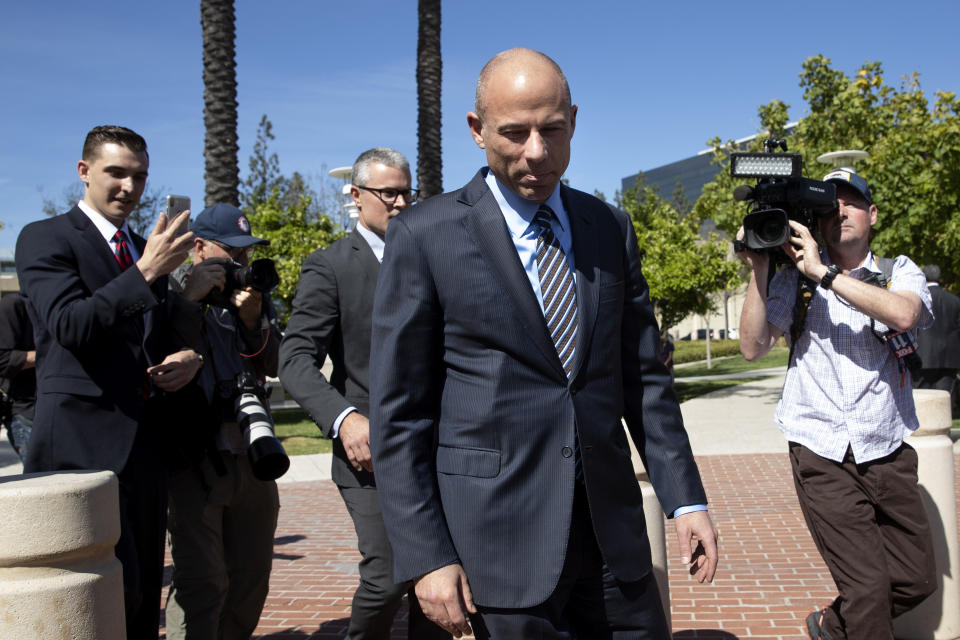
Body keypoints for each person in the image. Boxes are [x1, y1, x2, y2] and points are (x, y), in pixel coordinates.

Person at [368, 49, 718, 639]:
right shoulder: (424, 235)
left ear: (574, 121)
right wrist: (426, 555)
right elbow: (400, 416)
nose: (536, 150)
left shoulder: (609, 227)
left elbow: (643, 379)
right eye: (514, 132)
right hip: (494, 553)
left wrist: (685, 498)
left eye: (552, 130)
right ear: (477, 131)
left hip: (614, 550)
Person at [15, 125, 203, 638]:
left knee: (140, 595)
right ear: (84, 171)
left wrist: (189, 359)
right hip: (77, 444)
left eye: (138, 177)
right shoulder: (45, 237)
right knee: (83, 597)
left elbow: (162, 334)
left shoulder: (148, 250)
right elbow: (70, 325)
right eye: (115, 173)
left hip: (145, 447)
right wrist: (144, 273)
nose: (129, 187)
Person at [737, 168, 937, 640]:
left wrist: (825, 274)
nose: (839, 211)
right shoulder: (795, 279)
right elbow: (752, 346)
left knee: (916, 578)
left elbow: (905, 313)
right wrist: (760, 267)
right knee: (867, 589)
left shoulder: (897, 272)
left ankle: (830, 625)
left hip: (886, 449)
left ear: (872, 214)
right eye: (829, 205)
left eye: (850, 202)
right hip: (821, 451)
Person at [279, 148, 448, 640]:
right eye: (387, 193)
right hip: (370, 454)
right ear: (356, 196)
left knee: (439, 572)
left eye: (405, 192)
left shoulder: (432, 257)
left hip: (439, 446)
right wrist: (345, 418)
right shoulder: (328, 266)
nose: (399, 203)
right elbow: (294, 360)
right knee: (389, 574)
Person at [163, 203, 282, 639]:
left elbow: (274, 362)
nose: (241, 264)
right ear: (198, 248)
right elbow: (158, 357)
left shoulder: (252, 297)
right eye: (231, 253)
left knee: (252, 578)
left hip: (252, 453)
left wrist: (252, 321)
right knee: (203, 583)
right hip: (195, 459)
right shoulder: (168, 290)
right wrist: (190, 302)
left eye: (246, 254)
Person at [913, 264, 960, 417]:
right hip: (949, 359)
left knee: (920, 400)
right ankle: (943, 431)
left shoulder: (918, 299)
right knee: (945, 398)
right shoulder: (954, 300)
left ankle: (923, 433)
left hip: (922, 355)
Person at [0, 293, 36, 461]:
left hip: (55, 412)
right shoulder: (14, 304)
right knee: (40, 484)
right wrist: (47, 355)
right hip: (25, 413)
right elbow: (3, 360)